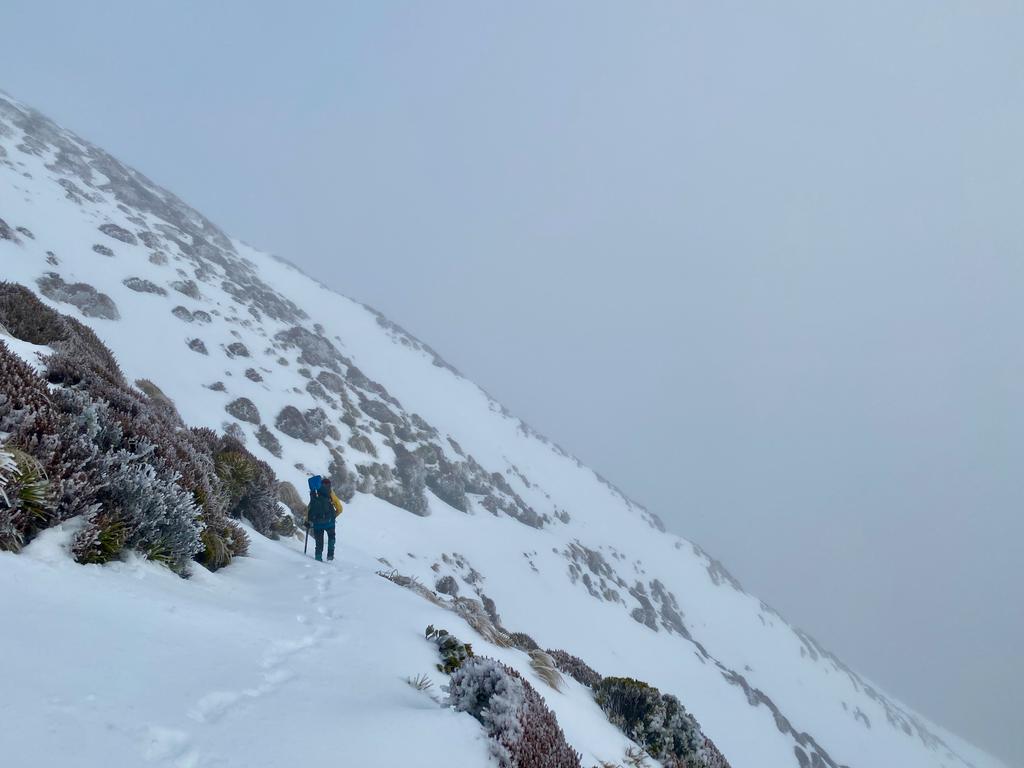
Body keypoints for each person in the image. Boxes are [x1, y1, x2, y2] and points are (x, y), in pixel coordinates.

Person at [306, 477, 343, 561]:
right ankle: (330, 556)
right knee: (331, 537)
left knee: (319, 542)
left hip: (317, 523)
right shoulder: (330, 493)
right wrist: (333, 516)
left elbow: (309, 508)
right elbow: (340, 508)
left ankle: (318, 558)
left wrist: (307, 521)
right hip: (330, 522)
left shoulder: (314, 493)